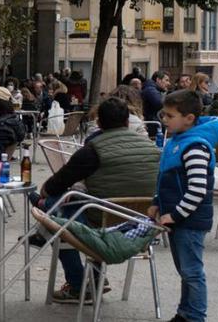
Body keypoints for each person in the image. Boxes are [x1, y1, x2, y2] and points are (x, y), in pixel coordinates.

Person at [36, 97, 160, 304]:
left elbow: (53, 186)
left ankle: (80, 285)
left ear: (99, 123)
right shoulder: (152, 147)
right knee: (57, 207)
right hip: (141, 221)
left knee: (53, 211)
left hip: (102, 220)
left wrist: (43, 196)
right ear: (128, 123)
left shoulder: (93, 150)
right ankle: (88, 277)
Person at [147, 90, 218, 322]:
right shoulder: (179, 141)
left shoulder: (195, 147)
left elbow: (197, 190)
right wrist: (157, 202)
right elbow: (166, 178)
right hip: (180, 218)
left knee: (192, 272)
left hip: (189, 219)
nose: (165, 120)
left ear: (188, 118)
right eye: (163, 114)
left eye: (170, 115)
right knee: (185, 271)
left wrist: (175, 215)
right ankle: (185, 312)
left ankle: (196, 316)